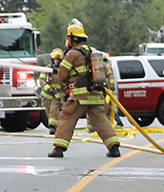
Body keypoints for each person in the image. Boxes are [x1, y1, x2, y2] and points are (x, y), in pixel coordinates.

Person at [48, 20, 120, 158]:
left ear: (73, 39)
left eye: (68, 38)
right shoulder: (92, 51)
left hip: (80, 96)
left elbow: (63, 75)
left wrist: (57, 70)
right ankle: (114, 147)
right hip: (96, 94)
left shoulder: (72, 54)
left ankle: (58, 149)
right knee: (101, 121)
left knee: (67, 118)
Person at [38, 47, 66, 134]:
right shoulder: (47, 69)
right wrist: (48, 89)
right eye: (55, 60)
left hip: (57, 96)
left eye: (58, 60)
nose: (56, 62)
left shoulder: (64, 70)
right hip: (46, 95)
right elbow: (41, 80)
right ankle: (58, 125)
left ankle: (53, 128)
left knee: (53, 111)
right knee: (48, 111)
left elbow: (65, 81)